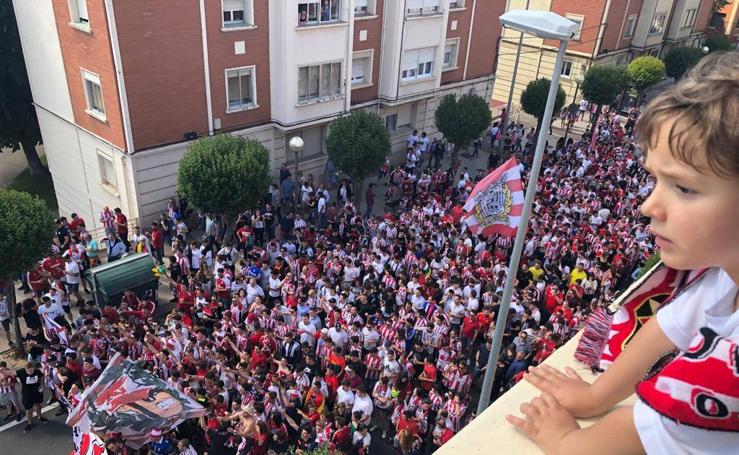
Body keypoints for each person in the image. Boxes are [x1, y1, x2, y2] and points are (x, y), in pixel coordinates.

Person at [508, 52, 739, 454]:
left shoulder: (727, 368)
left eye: (683, 188)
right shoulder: (725, 275)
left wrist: (565, 439)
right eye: (654, 180)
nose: (649, 206)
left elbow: (636, 433)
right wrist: (596, 397)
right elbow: (667, 327)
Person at [17, 361, 47, 433]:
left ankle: (39, 417)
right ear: (25, 369)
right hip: (27, 395)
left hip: (37, 393)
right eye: (28, 370)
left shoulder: (37, 371)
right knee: (28, 410)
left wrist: (42, 385)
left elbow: (42, 377)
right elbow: (12, 373)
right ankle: (29, 423)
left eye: (31, 370)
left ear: (33, 368)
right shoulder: (21, 372)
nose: (30, 372)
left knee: (38, 405)